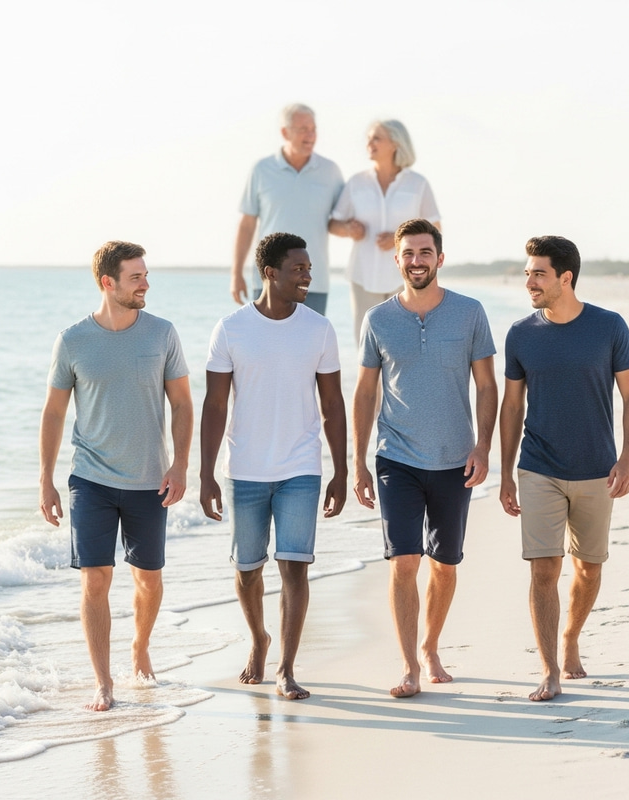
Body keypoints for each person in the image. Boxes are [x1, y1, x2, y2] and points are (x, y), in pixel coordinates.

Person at [38, 241, 193, 712]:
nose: (146, 284)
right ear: (108, 282)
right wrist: (45, 479)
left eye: (146, 275)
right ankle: (103, 682)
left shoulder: (162, 334)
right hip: (91, 479)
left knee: (148, 578)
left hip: (150, 479)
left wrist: (181, 463)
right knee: (96, 579)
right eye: (136, 277)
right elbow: (53, 412)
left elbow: (184, 403)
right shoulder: (72, 340)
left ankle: (140, 646)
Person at [352, 218, 498, 698]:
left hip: (456, 458)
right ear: (396, 260)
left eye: (425, 252)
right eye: (408, 253)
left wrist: (483, 446)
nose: (416, 261)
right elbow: (365, 391)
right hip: (396, 457)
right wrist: (357, 462)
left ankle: (432, 646)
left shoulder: (470, 313)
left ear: (439, 257)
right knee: (404, 561)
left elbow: (486, 385)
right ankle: (409, 665)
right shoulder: (378, 319)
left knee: (445, 563)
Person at [201, 231, 348, 701]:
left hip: (300, 467)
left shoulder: (318, 329)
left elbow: (333, 405)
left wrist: (342, 470)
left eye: (309, 268)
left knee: (295, 568)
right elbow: (214, 406)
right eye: (298, 269)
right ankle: (259, 640)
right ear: (270, 272)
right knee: (247, 570)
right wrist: (204, 473)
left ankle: (286, 668)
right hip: (244, 468)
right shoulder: (231, 329)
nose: (308, 276)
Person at [498, 235, 629, 702]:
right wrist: (505, 472)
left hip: (597, 470)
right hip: (538, 466)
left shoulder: (609, 327)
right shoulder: (521, 333)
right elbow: (511, 406)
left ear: (566, 277)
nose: (529, 282)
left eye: (538, 273)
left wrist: (627, 458)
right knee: (544, 570)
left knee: (589, 568)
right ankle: (549, 670)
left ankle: (571, 637)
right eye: (526, 273)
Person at [329, 119, 440, 344]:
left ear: (395, 144)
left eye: (376, 138)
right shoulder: (356, 182)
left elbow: (435, 229)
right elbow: (333, 224)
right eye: (369, 138)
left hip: (407, 279)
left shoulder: (418, 184)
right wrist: (350, 229)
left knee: (405, 346)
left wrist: (399, 239)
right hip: (363, 277)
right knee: (366, 346)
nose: (369, 143)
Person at [230, 103, 343, 316]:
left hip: (313, 282)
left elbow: (338, 221)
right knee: (264, 347)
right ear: (285, 132)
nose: (310, 135)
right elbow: (246, 225)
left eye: (313, 129)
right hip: (269, 279)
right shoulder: (261, 170)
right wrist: (236, 274)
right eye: (303, 129)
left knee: (310, 347)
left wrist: (353, 229)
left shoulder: (331, 171)